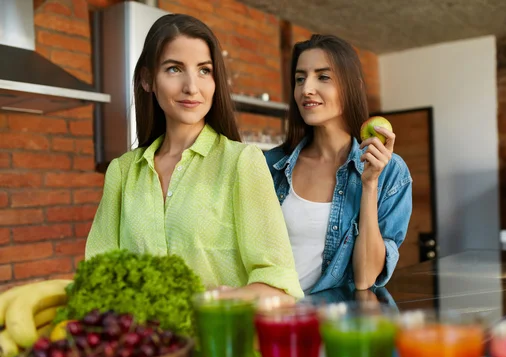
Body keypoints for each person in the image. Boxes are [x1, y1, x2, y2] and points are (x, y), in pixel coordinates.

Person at [86, 13, 303, 302]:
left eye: (204, 70)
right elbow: (98, 278)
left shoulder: (241, 163)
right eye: (174, 69)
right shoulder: (122, 173)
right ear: (148, 79)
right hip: (146, 346)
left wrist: (220, 301)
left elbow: (281, 287)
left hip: (217, 342)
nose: (192, 86)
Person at [265, 34, 413, 294]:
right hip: (274, 319)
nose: (306, 89)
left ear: (352, 87)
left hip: (336, 324)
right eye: (300, 79)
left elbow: (365, 278)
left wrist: (369, 184)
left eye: (323, 77)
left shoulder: (390, 171)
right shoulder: (271, 165)